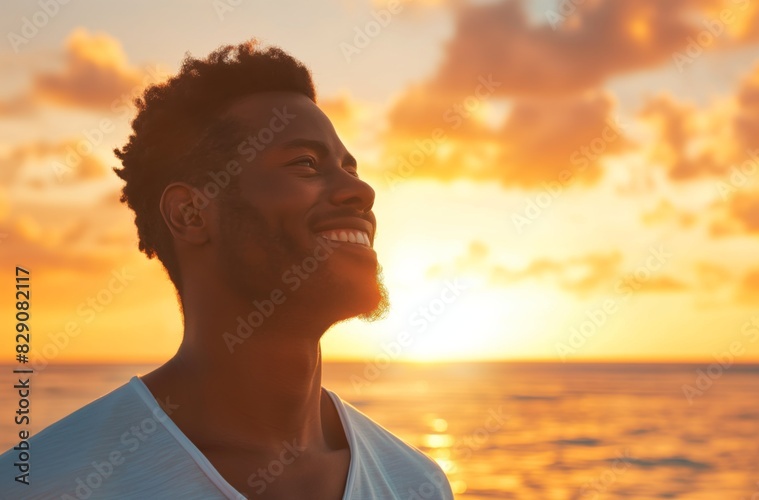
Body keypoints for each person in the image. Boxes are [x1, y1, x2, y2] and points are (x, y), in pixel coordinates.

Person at [0, 40, 453, 499]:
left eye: (350, 167)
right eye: (306, 163)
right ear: (191, 214)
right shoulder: (40, 484)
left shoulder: (415, 483)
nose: (362, 191)